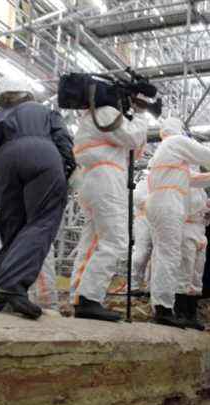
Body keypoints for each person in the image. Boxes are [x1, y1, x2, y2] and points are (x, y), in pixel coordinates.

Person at [0, 77, 75, 320]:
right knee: (42, 221)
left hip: (4, 161)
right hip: (41, 153)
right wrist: (67, 168)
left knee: (12, 228)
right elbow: (63, 139)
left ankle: (2, 295)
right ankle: (14, 286)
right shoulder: (44, 111)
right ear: (28, 94)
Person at [146, 117, 210, 327]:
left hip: (165, 203)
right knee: (170, 256)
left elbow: (195, 179)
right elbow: (207, 156)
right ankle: (163, 309)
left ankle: (168, 308)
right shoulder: (175, 142)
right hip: (168, 203)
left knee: (171, 257)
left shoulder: (170, 157)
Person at [69, 95, 148, 322]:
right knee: (115, 240)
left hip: (92, 178)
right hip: (106, 179)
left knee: (92, 241)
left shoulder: (91, 116)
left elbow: (132, 148)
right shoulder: (105, 112)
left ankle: (79, 295)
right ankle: (89, 299)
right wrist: (141, 115)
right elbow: (133, 138)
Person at [177, 168, 210, 329]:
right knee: (185, 271)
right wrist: (202, 210)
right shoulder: (183, 188)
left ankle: (192, 313)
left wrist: (208, 214)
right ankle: (180, 312)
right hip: (187, 229)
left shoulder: (202, 192)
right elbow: (183, 211)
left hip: (200, 231)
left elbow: (202, 214)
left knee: (197, 273)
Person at [131, 176, 153, 289]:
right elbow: (137, 198)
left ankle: (150, 287)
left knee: (157, 256)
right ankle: (134, 285)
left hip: (160, 221)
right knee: (142, 253)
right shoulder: (145, 180)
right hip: (144, 220)